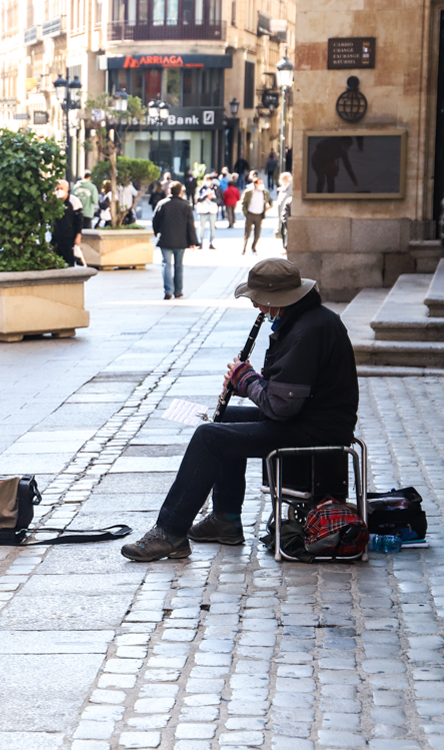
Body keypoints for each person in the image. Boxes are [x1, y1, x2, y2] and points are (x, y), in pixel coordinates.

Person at [122, 258, 358, 561]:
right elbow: (284, 390)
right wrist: (250, 380)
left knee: (210, 436)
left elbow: (281, 406)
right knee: (225, 420)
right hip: (309, 418)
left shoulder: (305, 331)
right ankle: (226, 518)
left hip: (314, 428)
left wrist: (245, 380)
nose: (258, 308)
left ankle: (170, 531)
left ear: (276, 299)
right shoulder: (307, 320)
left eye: (260, 301)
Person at [151, 182, 197, 301]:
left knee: (166, 265)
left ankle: (168, 291)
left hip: (165, 239)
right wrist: (192, 241)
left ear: (169, 191)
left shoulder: (162, 204)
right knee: (179, 266)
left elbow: (155, 221)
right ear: (181, 192)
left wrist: (158, 233)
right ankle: (178, 291)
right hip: (181, 240)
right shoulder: (185, 205)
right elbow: (190, 224)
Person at [51, 179, 84, 267]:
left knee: (69, 261)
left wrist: (78, 235)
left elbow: (79, 220)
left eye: (62, 188)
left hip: (69, 237)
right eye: (57, 188)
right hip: (55, 237)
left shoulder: (74, 201)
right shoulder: (53, 201)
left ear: (67, 188)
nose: (59, 190)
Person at [241, 174, 272, 255]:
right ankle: (244, 248)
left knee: (257, 234)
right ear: (255, 184)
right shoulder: (249, 192)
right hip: (250, 214)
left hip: (259, 215)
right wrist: (245, 213)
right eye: (260, 183)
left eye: (262, 183)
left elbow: (270, 200)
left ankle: (253, 247)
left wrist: (269, 207)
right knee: (247, 233)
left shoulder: (265, 192)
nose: (262, 185)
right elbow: (243, 203)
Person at [194, 175, 219, 249]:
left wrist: (212, 199)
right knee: (202, 228)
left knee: (212, 229)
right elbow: (198, 199)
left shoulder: (215, 188)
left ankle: (211, 243)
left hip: (212, 211)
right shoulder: (200, 189)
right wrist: (205, 196)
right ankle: (200, 242)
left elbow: (219, 199)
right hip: (203, 211)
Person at [274, 172, 293, 241]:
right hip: (281, 211)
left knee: (286, 229)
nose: (280, 180)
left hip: (286, 211)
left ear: (286, 179)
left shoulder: (291, 187)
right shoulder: (282, 188)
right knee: (282, 229)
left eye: (282, 179)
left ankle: (286, 245)